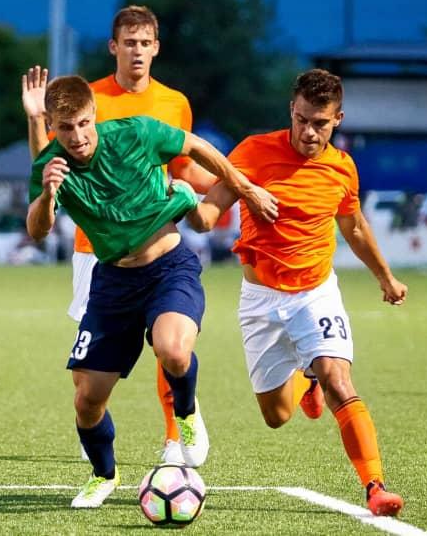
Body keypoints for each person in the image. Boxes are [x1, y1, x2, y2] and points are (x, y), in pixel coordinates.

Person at [26, 75, 277, 508]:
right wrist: (48, 193)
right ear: (52, 125)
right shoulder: (50, 166)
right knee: (87, 400)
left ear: (95, 115)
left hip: (168, 267)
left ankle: (187, 414)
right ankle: (103, 475)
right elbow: (36, 230)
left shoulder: (135, 131)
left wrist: (247, 187)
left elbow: (196, 147)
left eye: (85, 123)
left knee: (174, 352)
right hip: (112, 284)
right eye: (66, 128)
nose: (78, 136)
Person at [187, 69, 408, 516]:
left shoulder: (342, 168)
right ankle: (306, 376)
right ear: (292, 109)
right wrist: (180, 203)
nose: (309, 131)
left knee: (339, 381)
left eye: (320, 123)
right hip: (261, 301)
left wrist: (385, 277)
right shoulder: (252, 152)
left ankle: (375, 486)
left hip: (315, 294)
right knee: (277, 416)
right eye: (303, 119)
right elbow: (207, 214)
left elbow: (355, 227)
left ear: (338, 120)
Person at [22, 5, 230, 465]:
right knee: (88, 378)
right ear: (113, 46)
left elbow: (182, 161)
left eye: (144, 42)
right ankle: (99, 439)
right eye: (128, 42)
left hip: (156, 237)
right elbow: (48, 165)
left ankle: (176, 434)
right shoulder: (85, 97)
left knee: (169, 344)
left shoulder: (174, 103)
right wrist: (36, 120)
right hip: (94, 249)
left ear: (156, 47)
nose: (136, 50)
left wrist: (224, 185)